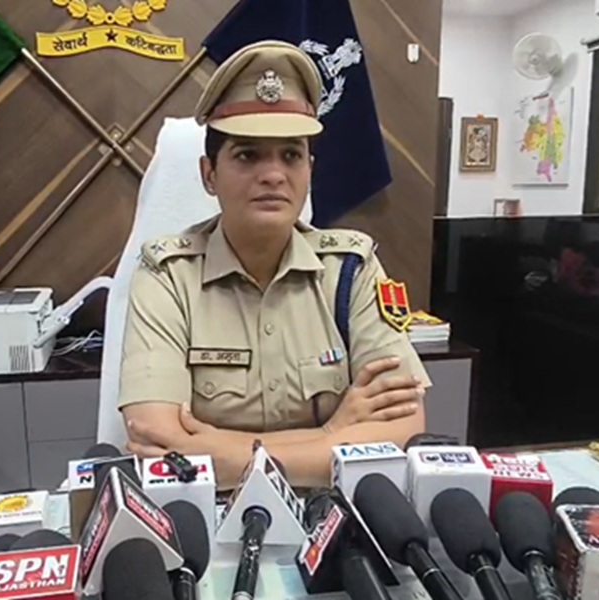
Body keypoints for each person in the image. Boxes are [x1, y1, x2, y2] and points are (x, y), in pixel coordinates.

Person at [118, 40, 431, 489]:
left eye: (291, 155)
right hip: (207, 513)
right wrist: (330, 434)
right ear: (209, 174)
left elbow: (402, 429)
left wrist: (227, 455)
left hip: (338, 509)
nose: (273, 174)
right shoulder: (166, 275)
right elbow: (157, 437)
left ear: (310, 170)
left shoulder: (351, 269)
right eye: (248, 155)